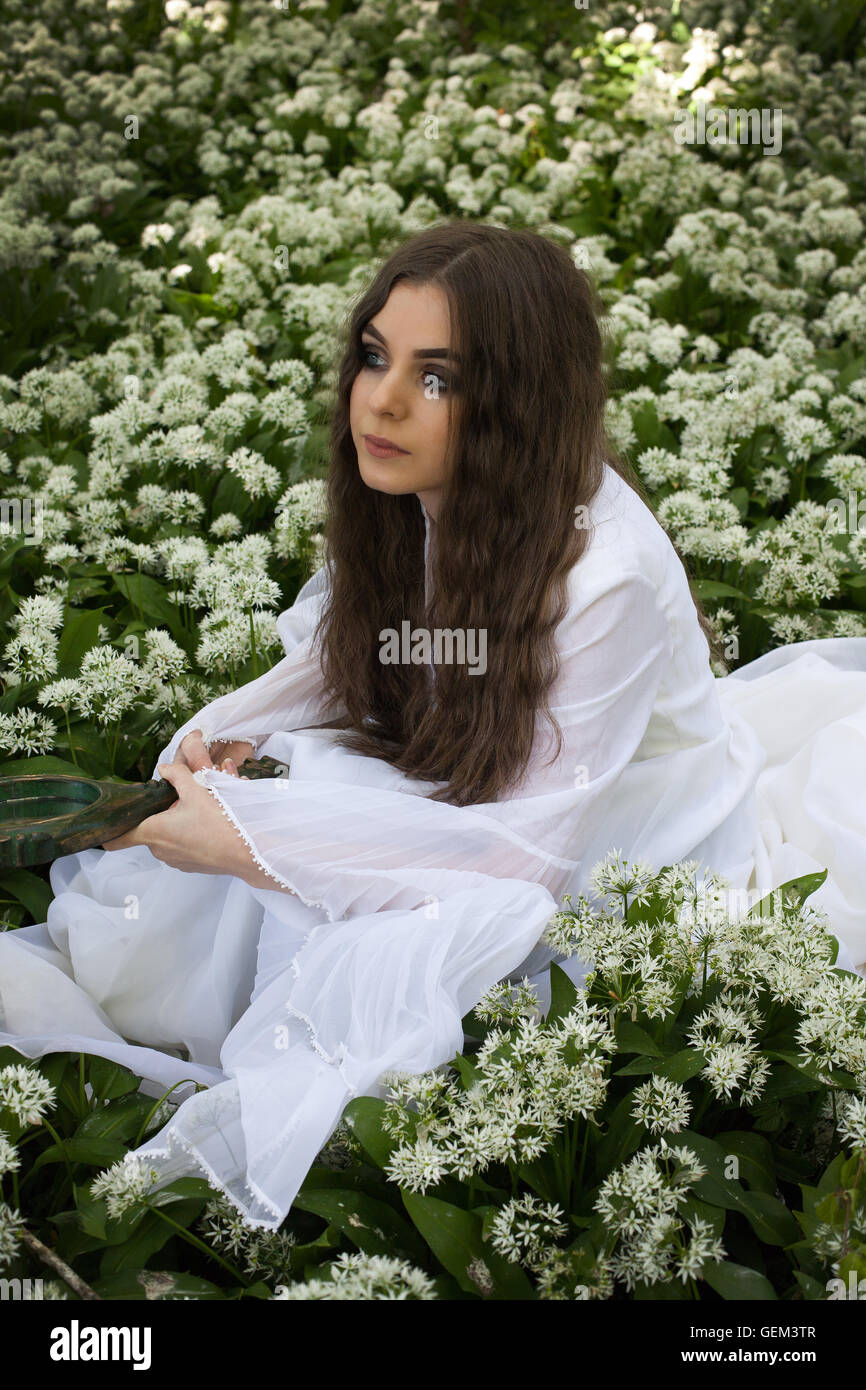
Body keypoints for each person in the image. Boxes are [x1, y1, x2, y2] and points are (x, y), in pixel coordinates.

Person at [0, 221, 864, 1231]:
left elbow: (527, 860)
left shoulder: (605, 574)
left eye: (437, 377)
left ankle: (274, 1154)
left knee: (327, 841)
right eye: (374, 356)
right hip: (499, 798)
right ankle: (195, 1012)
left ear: (515, 402)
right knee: (291, 786)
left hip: (616, 857)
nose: (383, 399)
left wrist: (255, 845)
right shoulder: (427, 488)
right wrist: (226, 734)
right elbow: (363, 657)